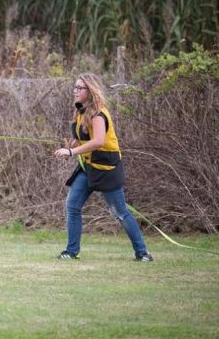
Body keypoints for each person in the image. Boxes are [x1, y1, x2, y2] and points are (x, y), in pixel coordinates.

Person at [53, 73, 153, 262]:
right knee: (72, 206)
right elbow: (84, 138)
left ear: (90, 90)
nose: (75, 91)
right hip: (88, 168)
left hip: (106, 169)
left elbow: (98, 141)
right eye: (75, 87)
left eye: (79, 88)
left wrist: (72, 152)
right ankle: (71, 252)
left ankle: (142, 253)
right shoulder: (81, 111)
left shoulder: (98, 114)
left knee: (120, 213)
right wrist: (72, 145)